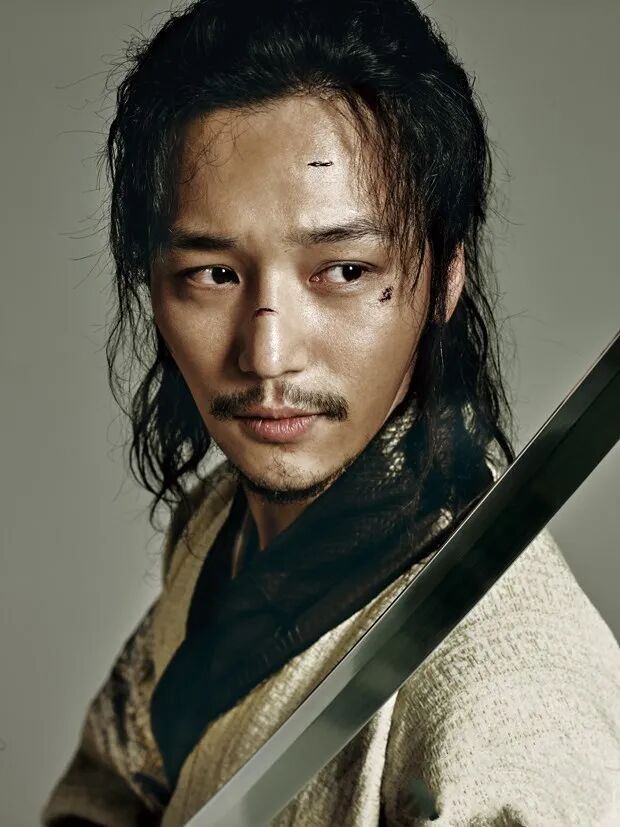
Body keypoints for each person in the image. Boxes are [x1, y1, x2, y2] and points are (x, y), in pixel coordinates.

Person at [42, 1, 620, 824]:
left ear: (445, 278)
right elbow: (114, 779)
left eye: (344, 271)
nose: (267, 354)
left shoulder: (520, 693)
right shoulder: (220, 527)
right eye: (212, 274)